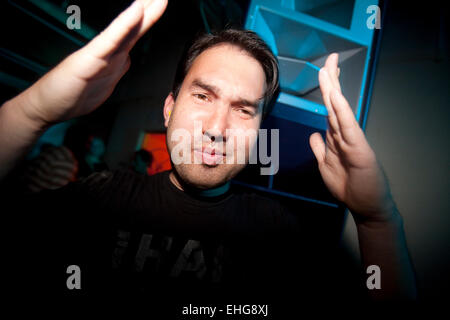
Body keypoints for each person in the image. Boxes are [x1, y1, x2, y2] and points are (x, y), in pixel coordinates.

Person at [0, 0, 417, 305]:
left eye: (242, 110)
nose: (217, 129)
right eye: (203, 96)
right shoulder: (100, 198)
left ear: (258, 133)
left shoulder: (280, 237)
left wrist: (377, 221)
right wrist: (30, 111)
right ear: (169, 107)